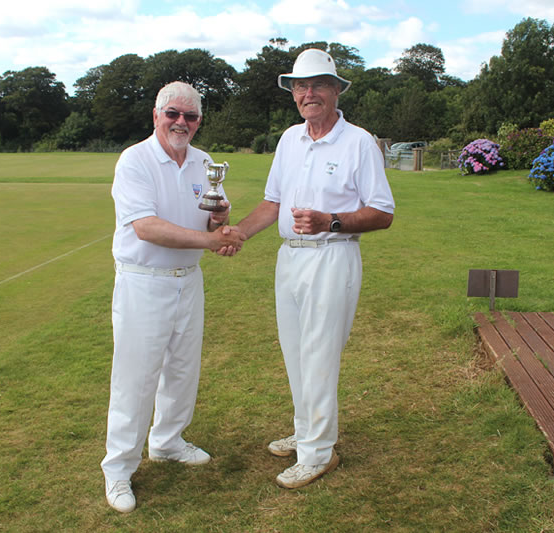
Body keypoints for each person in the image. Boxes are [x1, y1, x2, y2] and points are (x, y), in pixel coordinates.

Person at [229, 49, 395, 489]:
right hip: (290, 257)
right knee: (296, 352)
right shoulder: (289, 139)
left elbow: (383, 212)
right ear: (293, 94)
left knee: (319, 354)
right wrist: (238, 232)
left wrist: (330, 222)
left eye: (319, 84)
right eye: (301, 86)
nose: (309, 93)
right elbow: (273, 203)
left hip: (331, 255)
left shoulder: (358, 142)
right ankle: (306, 432)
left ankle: (318, 452)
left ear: (337, 90)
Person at [101, 81, 245, 513]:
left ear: (199, 121)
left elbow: (211, 220)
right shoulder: (135, 160)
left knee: (182, 369)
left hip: (188, 279)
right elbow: (146, 227)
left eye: (191, 116)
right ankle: (118, 468)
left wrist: (220, 219)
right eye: (173, 114)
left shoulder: (203, 162)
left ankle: (167, 441)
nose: (182, 122)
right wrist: (211, 241)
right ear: (156, 116)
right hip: (144, 280)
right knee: (137, 376)